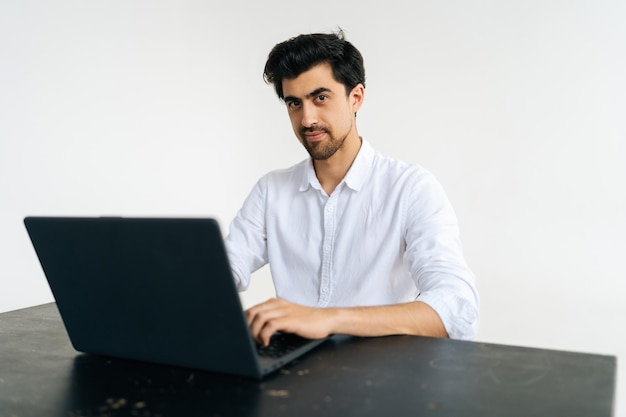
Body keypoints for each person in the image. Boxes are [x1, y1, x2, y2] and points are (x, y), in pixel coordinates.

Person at [224, 30, 479, 347]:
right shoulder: (271, 190)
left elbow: (457, 309)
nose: (307, 119)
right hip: (296, 375)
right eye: (294, 103)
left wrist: (328, 318)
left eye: (321, 98)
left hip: (382, 375)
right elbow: (222, 272)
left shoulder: (410, 188)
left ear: (355, 97)